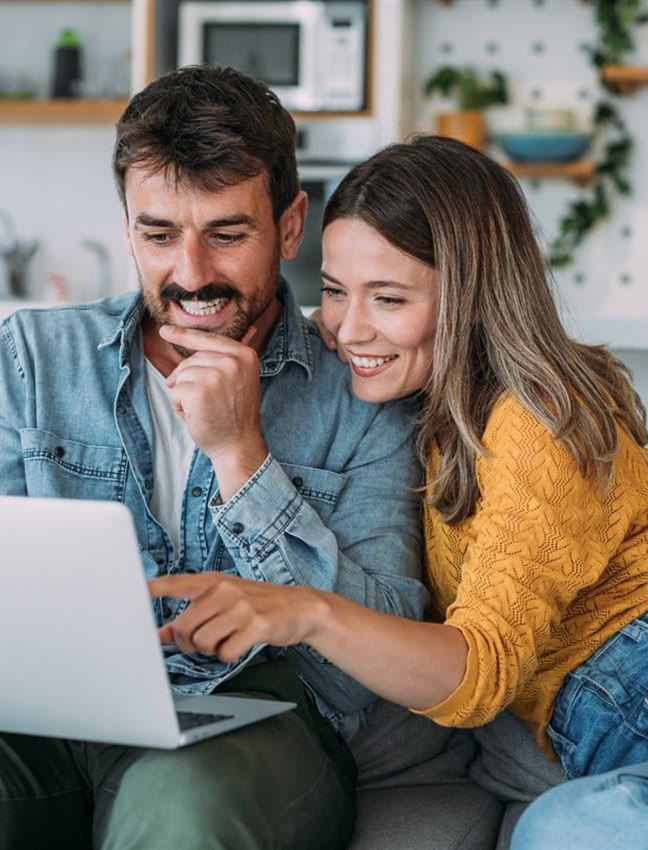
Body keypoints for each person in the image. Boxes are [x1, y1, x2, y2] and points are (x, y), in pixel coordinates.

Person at [151, 135, 648, 850]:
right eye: (333, 290)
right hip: (605, 740)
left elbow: (480, 669)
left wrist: (307, 613)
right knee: (558, 834)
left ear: (472, 299)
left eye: (387, 298)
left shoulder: (533, 420)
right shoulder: (404, 416)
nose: (346, 327)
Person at [0, 66, 428, 850]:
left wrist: (242, 454)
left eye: (227, 235)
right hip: (43, 714)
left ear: (290, 227)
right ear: (127, 230)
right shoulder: (31, 357)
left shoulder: (363, 393)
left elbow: (368, 667)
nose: (192, 275)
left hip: (255, 719)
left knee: (185, 816)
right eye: (159, 235)